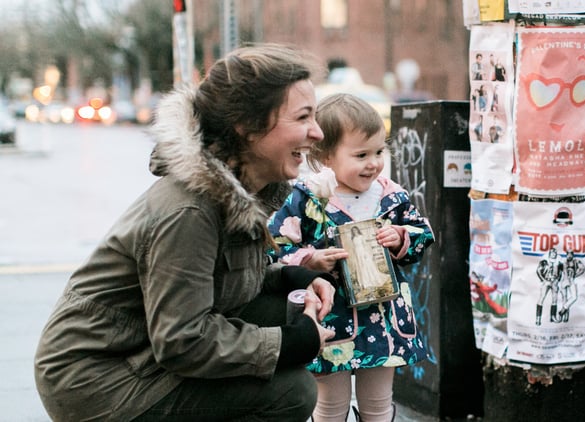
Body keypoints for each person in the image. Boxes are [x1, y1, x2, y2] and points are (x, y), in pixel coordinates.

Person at [34, 44, 338, 421]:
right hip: (96, 382)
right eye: (303, 117)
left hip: (139, 357)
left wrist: (290, 278)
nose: (318, 131)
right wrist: (290, 344)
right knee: (290, 392)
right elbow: (183, 340)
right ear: (247, 127)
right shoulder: (190, 212)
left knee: (280, 310)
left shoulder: (239, 190)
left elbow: (220, 286)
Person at [267, 93, 434, 422]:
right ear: (325, 156)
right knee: (330, 406)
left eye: (378, 152)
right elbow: (276, 244)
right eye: (361, 154)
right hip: (331, 319)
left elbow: (422, 233)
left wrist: (401, 237)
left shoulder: (390, 195)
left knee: (378, 404)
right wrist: (309, 261)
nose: (373, 163)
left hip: (384, 320)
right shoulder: (307, 198)